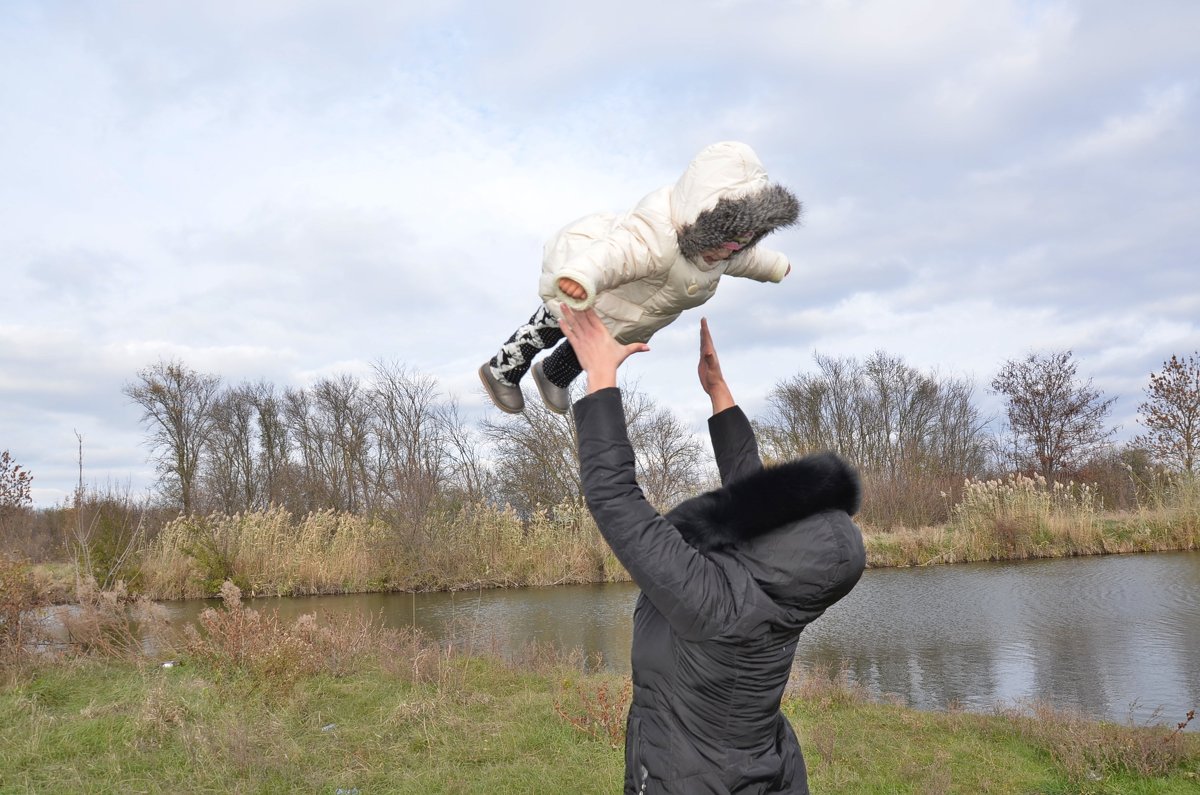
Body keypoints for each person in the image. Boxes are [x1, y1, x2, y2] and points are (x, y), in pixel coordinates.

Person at [560, 303, 866, 794]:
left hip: (685, 781)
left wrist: (600, 376)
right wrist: (717, 391)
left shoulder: (714, 601)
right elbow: (753, 495)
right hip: (751, 766)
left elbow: (615, 500)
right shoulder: (783, 591)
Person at [479, 141, 800, 415]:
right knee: (546, 330)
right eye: (725, 243)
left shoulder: (724, 253)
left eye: (740, 244)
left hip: (624, 319)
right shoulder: (656, 236)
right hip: (590, 291)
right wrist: (581, 275)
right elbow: (614, 254)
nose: (726, 254)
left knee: (588, 353)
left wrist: (776, 267)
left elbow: (748, 259)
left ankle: (552, 376)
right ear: (701, 220)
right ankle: (502, 371)